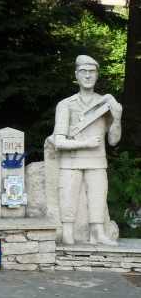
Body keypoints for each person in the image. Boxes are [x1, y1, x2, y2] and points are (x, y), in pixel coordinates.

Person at [53, 55, 121, 245]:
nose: (88, 76)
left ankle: (97, 233)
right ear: (76, 74)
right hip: (70, 161)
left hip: (97, 161)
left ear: (97, 75)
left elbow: (114, 141)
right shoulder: (66, 105)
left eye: (92, 72)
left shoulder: (105, 104)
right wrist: (85, 143)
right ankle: (67, 233)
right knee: (68, 196)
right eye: (84, 71)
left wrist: (117, 118)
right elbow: (58, 141)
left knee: (98, 196)